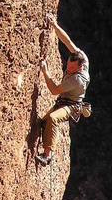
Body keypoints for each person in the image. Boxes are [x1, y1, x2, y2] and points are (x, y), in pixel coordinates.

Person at [37, 13, 90, 165]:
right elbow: (67, 41)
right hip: (64, 101)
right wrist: (54, 25)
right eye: (68, 65)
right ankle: (47, 143)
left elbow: (54, 90)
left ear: (80, 67)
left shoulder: (76, 80)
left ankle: (48, 156)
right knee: (43, 123)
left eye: (72, 68)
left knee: (53, 119)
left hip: (72, 106)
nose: (68, 68)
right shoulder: (81, 57)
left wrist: (45, 72)